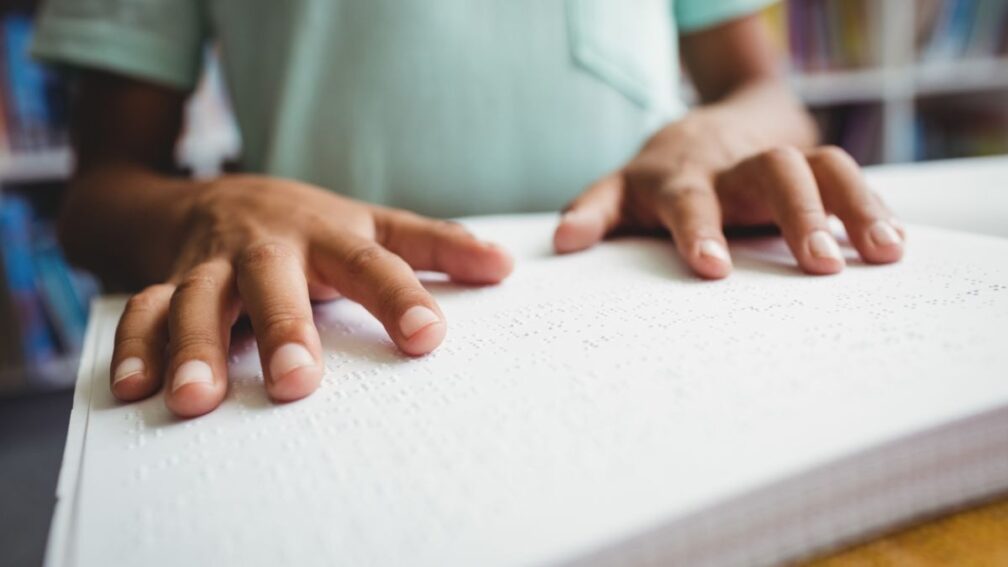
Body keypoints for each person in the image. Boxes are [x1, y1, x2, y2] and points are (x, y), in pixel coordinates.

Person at [33, 0, 904, 418]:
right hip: (327, 335)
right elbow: (99, 191)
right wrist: (214, 207)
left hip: (655, 315)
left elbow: (764, 89)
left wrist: (714, 136)